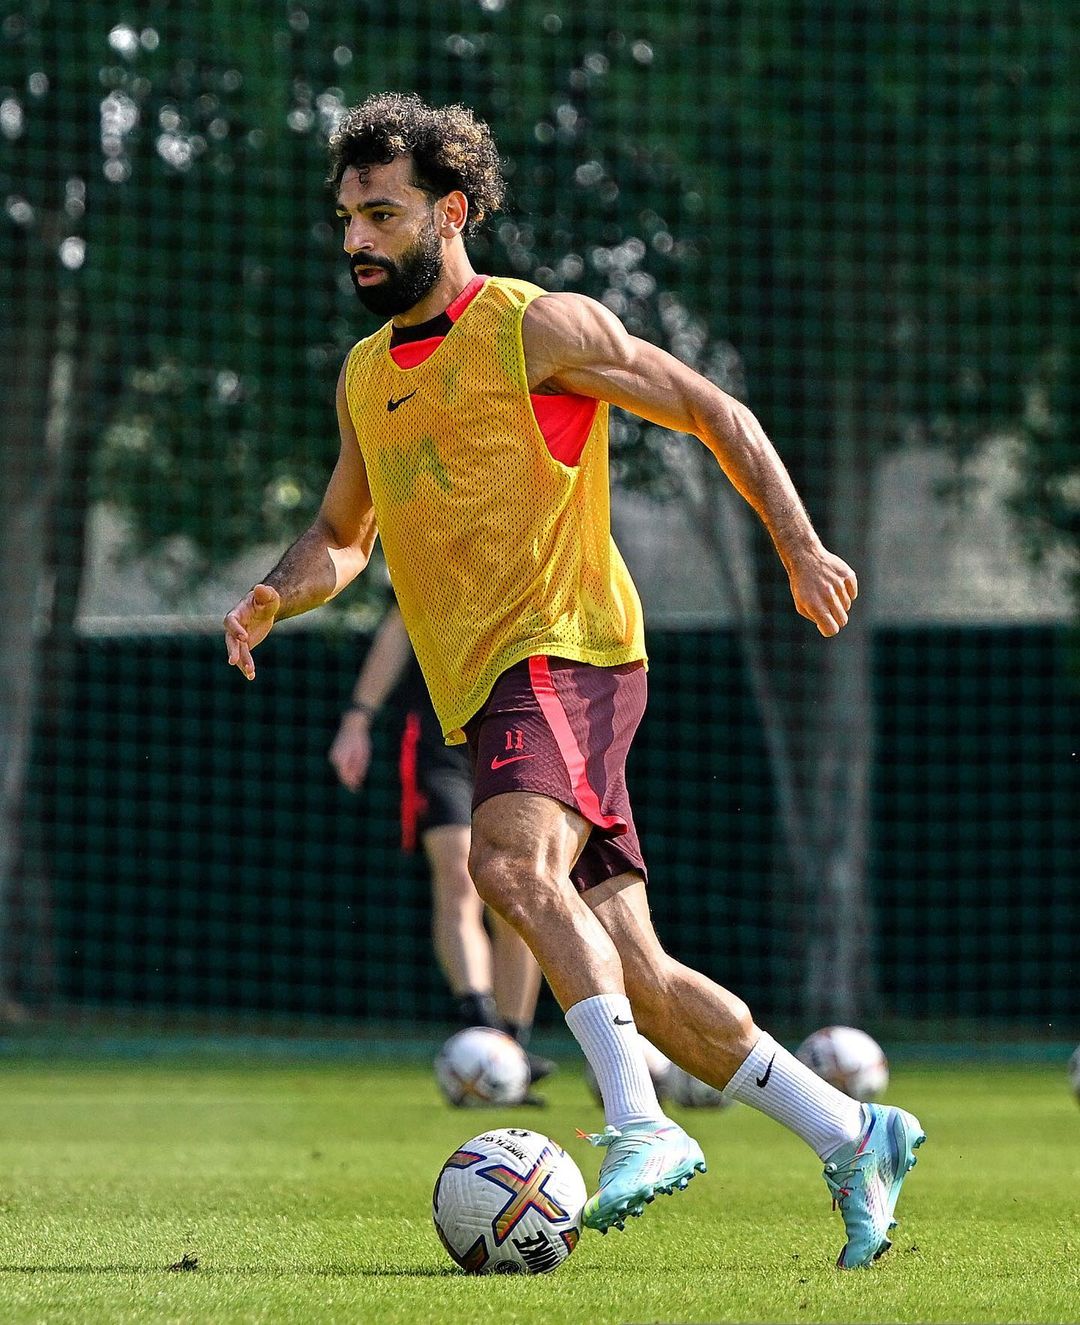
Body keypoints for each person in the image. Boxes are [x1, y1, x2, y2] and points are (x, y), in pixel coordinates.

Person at [224, 92, 925, 1265]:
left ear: (452, 212)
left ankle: (640, 1122)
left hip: (567, 648)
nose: (356, 238)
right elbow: (345, 535)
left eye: (382, 214)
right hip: (490, 686)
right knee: (642, 978)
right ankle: (855, 1131)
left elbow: (713, 410)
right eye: (346, 217)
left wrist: (801, 545)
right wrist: (274, 593)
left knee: (503, 861)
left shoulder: (535, 327)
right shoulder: (364, 374)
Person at [328, 602, 554, 1092]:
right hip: (438, 739)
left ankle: (511, 1047)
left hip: (519, 731)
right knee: (459, 874)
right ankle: (481, 1027)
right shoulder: (431, 561)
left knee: (517, 887)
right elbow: (399, 627)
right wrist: (357, 720)